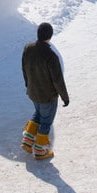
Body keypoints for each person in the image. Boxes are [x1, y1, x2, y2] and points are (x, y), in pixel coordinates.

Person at [20, 22, 69, 161]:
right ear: (50, 36)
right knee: (46, 121)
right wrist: (65, 97)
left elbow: (24, 68)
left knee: (38, 114)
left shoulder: (28, 48)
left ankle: (28, 140)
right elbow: (57, 80)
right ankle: (41, 150)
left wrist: (28, 85)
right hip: (47, 96)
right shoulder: (51, 55)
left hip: (33, 92)